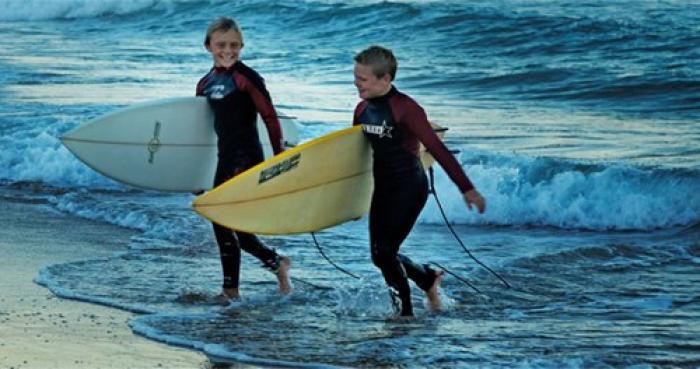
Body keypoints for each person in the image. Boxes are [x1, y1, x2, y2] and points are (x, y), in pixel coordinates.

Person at [352, 45, 486, 317]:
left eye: (362, 79)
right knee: (380, 255)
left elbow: (437, 149)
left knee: (386, 253)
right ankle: (427, 278)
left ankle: (404, 317)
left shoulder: (406, 108)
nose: (356, 83)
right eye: (355, 77)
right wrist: (351, 202)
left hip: (409, 188)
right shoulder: (362, 109)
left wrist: (467, 188)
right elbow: (357, 158)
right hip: (383, 189)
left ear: (385, 79)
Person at [196, 17, 291, 300]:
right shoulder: (205, 83)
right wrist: (193, 175)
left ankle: (230, 291)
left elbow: (270, 117)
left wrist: (278, 159)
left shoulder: (247, 78)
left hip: (247, 159)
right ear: (208, 46)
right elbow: (199, 135)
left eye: (235, 45)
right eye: (221, 44)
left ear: (242, 47)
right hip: (225, 159)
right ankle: (277, 263)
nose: (228, 50)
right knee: (238, 229)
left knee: (222, 220)